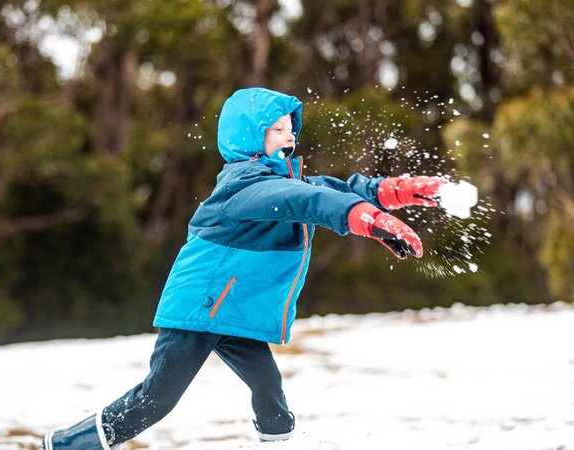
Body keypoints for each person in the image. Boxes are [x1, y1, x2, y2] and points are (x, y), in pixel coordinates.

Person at [42, 87, 447, 450]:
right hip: (200, 309)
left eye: (290, 129)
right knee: (157, 399)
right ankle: (67, 446)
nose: (290, 137)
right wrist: (366, 220)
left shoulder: (280, 180)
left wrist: (393, 193)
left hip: (231, 310)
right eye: (277, 130)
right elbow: (305, 201)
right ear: (251, 138)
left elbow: (331, 190)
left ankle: (279, 443)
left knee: (269, 389)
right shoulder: (245, 189)